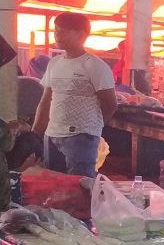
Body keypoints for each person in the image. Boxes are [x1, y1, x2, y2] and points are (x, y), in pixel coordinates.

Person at [32, 12, 117, 178]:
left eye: (63, 31)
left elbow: (110, 104)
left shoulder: (94, 66)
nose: (57, 35)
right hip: (52, 134)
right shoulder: (54, 63)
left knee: (79, 185)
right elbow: (46, 100)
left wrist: (91, 128)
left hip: (81, 138)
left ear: (80, 34)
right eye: (56, 30)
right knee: (52, 185)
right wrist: (35, 132)